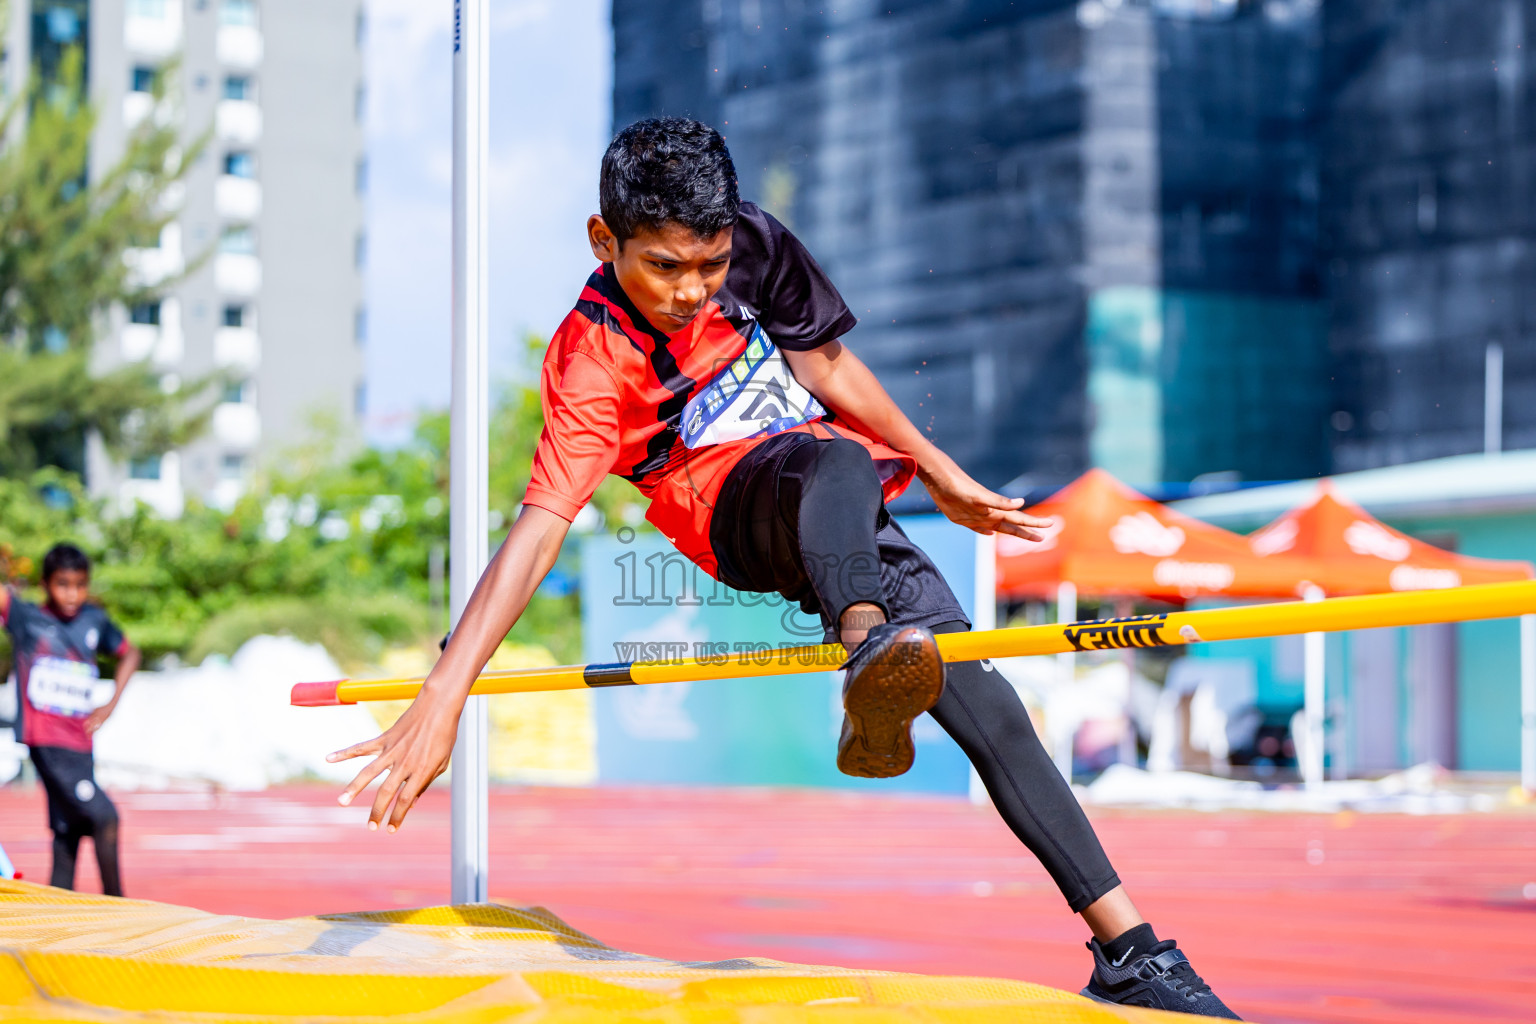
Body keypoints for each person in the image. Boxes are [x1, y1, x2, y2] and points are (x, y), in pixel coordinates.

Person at [330, 118, 1239, 1018]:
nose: (693, 291)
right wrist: (448, 688)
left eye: (710, 267)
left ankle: (1132, 953)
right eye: (665, 267)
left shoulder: (756, 243)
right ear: (605, 242)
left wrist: (940, 471)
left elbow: (829, 366)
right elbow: (538, 530)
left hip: (840, 513)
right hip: (733, 514)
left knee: (986, 699)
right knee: (833, 462)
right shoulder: (589, 358)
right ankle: (868, 653)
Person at [0, 543, 137, 896]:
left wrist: (110, 705)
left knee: (68, 836)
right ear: (45, 584)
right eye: (62, 584)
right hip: (46, 742)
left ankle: (53, 926)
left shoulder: (94, 621)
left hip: (81, 745)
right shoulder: (27, 618)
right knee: (106, 819)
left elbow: (130, 653)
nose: (72, 593)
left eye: (80, 584)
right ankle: (119, 911)